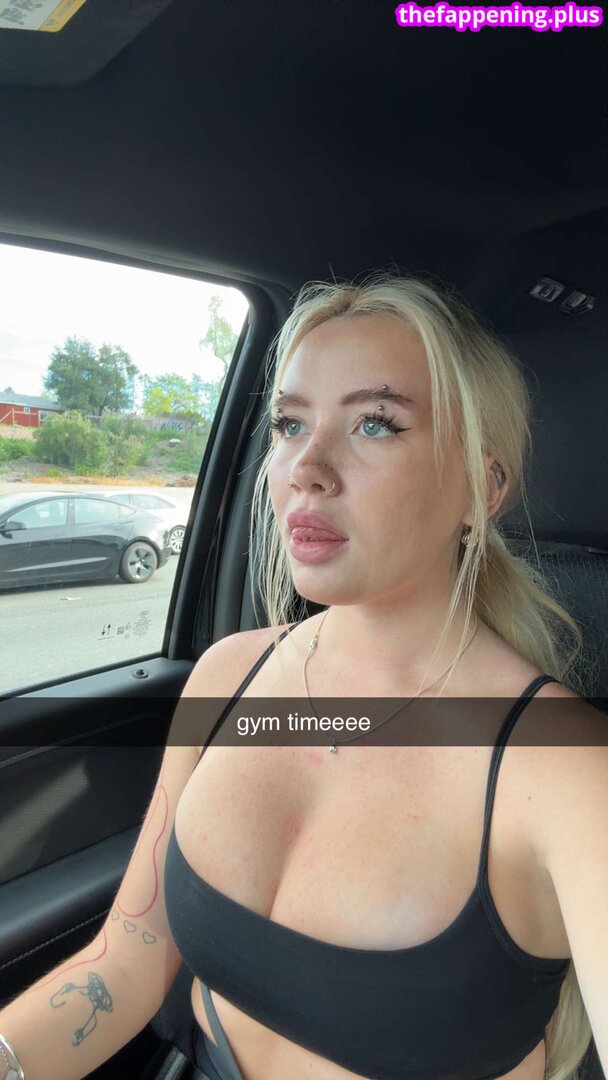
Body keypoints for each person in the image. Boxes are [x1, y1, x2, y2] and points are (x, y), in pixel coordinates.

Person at [0, 274, 605, 1080]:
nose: (306, 469)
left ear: (482, 488)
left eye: (376, 424)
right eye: (290, 424)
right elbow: (125, 967)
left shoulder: (560, 764)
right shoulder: (229, 678)